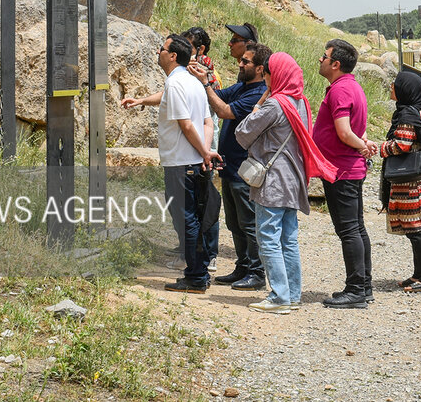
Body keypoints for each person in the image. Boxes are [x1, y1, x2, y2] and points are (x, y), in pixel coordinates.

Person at [235, 53, 337, 313]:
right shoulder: (300, 102)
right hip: (294, 180)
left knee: (268, 237)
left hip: (273, 182)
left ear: (275, 74)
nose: (265, 77)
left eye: (267, 73)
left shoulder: (274, 105)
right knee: (288, 239)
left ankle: (279, 297)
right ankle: (292, 294)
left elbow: (242, 133)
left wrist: (259, 103)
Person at [121, 34, 217, 292]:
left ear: (173, 56)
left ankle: (195, 277)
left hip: (180, 164)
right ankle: (201, 272)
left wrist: (203, 153)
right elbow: (207, 123)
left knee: (186, 219)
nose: (158, 52)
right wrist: (205, 152)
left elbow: (186, 125)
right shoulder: (195, 83)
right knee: (195, 218)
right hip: (194, 162)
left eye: (161, 49)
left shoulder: (175, 84)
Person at [194, 40, 271, 291]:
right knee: (235, 223)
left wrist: (206, 84)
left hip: (244, 170)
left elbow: (225, 111)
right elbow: (216, 96)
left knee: (249, 223)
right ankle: (243, 266)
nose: (240, 63)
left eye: (245, 61)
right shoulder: (241, 87)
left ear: (260, 68)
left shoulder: (256, 94)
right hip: (230, 168)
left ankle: (257, 272)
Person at [314, 39, 375, 309]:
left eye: (324, 57)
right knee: (357, 228)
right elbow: (352, 130)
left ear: (335, 64)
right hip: (348, 167)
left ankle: (355, 290)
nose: (320, 60)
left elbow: (344, 132)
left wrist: (363, 144)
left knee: (348, 229)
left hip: (341, 169)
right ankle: (364, 286)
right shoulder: (352, 86)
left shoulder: (340, 90)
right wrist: (364, 142)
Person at [371, 71, 421, 293]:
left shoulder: (407, 115)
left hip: (410, 182)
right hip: (419, 177)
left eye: (396, 84)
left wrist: (377, 148)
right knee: (416, 228)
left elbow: (401, 144)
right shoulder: (416, 112)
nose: (392, 87)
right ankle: (419, 274)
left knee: (415, 229)